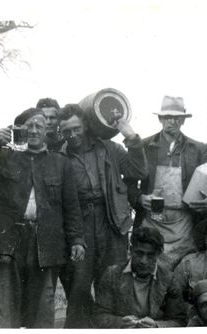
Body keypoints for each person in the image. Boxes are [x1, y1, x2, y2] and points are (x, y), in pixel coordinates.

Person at [0, 107, 85, 328]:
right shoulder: (3, 157)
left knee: (42, 313)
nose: (34, 131)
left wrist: (77, 240)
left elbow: (71, 206)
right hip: (6, 244)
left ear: (47, 131)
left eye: (39, 126)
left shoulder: (60, 163)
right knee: (3, 310)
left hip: (45, 244)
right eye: (29, 126)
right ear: (19, 130)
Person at [57, 103, 148, 328]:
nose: (73, 135)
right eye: (67, 131)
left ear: (86, 125)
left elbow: (139, 171)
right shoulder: (60, 156)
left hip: (112, 223)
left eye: (76, 128)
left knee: (115, 284)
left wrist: (131, 136)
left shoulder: (110, 149)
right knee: (78, 289)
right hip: (79, 226)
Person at [129, 96, 207, 269]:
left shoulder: (198, 148)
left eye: (177, 118)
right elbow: (129, 183)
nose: (172, 121)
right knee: (148, 268)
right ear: (160, 119)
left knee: (180, 272)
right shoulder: (145, 146)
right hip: (152, 220)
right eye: (168, 117)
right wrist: (140, 198)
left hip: (183, 223)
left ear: (183, 120)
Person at [93, 226, 185, 328]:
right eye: (139, 253)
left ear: (159, 253)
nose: (143, 261)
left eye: (150, 255)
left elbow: (179, 321)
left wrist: (157, 326)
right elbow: (98, 316)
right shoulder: (112, 275)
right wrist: (119, 323)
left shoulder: (169, 279)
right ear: (131, 250)